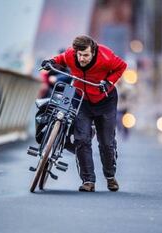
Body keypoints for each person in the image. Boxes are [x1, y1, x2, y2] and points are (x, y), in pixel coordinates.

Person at [41, 35, 127, 192]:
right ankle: (88, 181)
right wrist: (51, 62)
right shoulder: (71, 55)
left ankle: (110, 176)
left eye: (86, 55)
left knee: (106, 143)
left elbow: (121, 66)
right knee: (81, 140)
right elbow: (60, 59)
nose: (81, 58)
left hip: (105, 100)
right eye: (79, 55)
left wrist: (108, 82)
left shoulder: (106, 56)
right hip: (81, 100)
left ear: (93, 51)